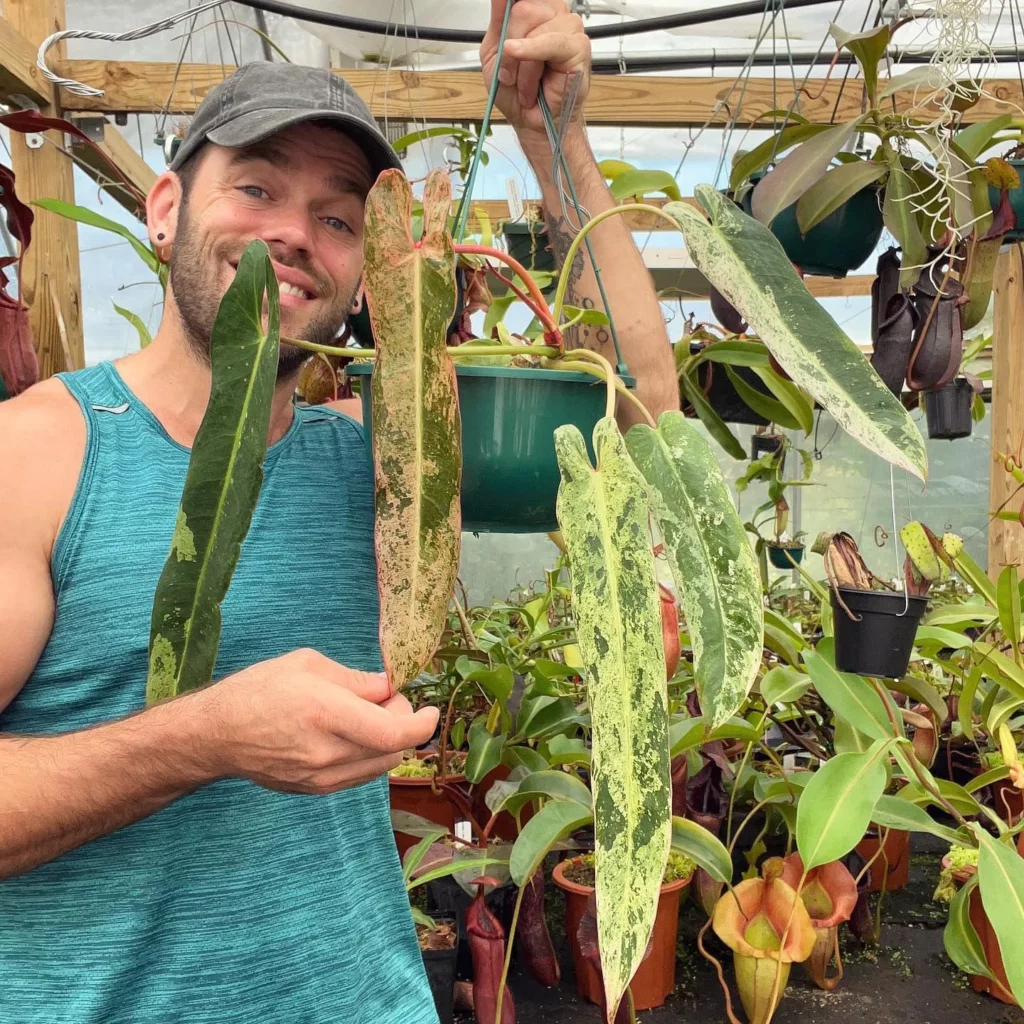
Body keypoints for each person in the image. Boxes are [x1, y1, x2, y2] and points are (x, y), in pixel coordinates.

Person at [0, 1, 675, 1021]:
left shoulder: (383, 459)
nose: (292, 235)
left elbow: (639, 409)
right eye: (257, 187)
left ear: (365, 270)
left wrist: (556, 143)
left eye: (337, 217)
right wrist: (206, 737)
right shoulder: (43, 453)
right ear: (166, 206)